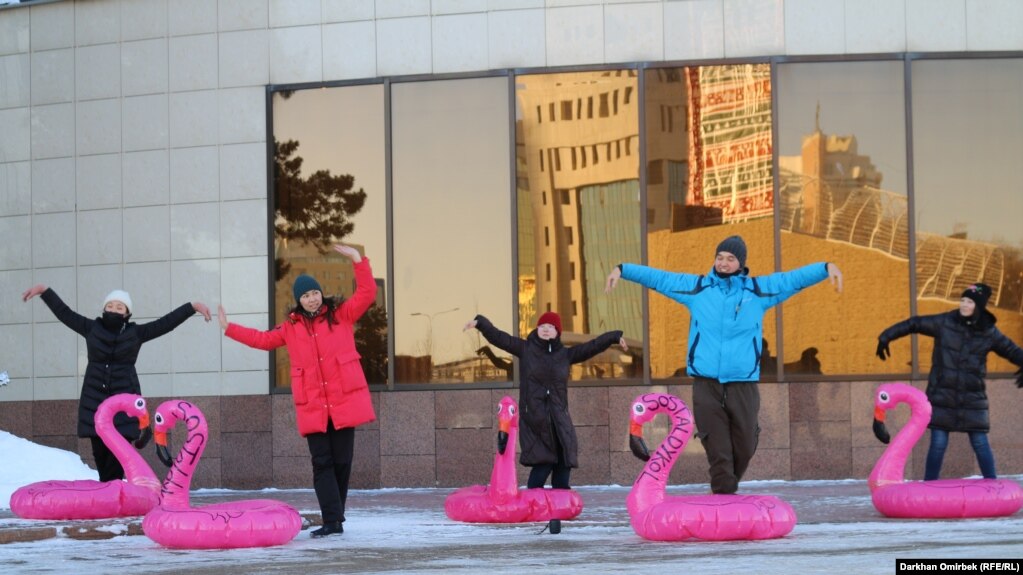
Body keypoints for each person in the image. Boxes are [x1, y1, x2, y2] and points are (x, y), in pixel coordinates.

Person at [604, 235, 843, 494]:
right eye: (720, 257)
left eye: (730, 259)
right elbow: (660, 278)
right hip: (707, 385)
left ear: (741, 263)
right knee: (718, 450)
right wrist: (623, 270)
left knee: (745, 446)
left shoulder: (757, 291)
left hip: (743, 384)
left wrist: (825, 268)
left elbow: (791, 280)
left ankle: (724, 493)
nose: (723, 263)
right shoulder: (698, 289)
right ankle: (722, 497)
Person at [218, 244, 375, 538]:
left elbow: (366, 293)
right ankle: (331, 520)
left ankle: (335, 516)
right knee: (322, 463)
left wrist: (358, 261)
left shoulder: (341, 314)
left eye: (314, 293)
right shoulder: (290, 328)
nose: (312, 299)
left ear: (320, 293)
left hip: (343, 401)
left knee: (342, 462)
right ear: (299, 301)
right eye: (305, 295)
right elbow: (263, 340)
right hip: (313, 405)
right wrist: (230, 328)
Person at [22, 284, 211, 482]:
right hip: (94, 401)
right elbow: (65, 314)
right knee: (101, 457)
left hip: (124, 404)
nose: (114, 309)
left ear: (127, 313)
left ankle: (115, 496)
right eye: (110, 306)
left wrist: (191, 307)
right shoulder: (91, 328)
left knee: (118, 458)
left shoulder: (135, 333)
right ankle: (110, 497)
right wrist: (45, 292)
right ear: (104, 309)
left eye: (119, 307)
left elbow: (165, 324)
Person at [876, 282, 1023, 480]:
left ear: (978, 306)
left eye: (969, 301)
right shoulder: (945, 322)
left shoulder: (988, 332)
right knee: (938, 443)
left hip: (972, 398)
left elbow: (1011, 350)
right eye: (962, 300)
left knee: (980, 443)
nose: (963, 305)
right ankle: (929, 485)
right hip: (941, 395)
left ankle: (992, 484)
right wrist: (887, 336)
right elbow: (915, 323)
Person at [464, 311, 627, 490]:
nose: (546, 330)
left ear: (557, 331)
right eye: (542, 326)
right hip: (536, 422)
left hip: (559, 422)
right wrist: (480, 323)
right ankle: (533, 508)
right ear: (537, 329)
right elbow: (500, 338)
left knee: (563, 469)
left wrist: (614, 336)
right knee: (542, 467)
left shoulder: (565, 355)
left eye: (550, 327)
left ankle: (558, 512)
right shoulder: (525, 349)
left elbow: (591, 347)